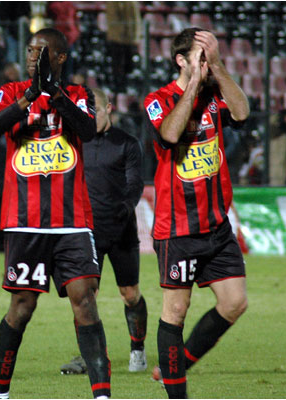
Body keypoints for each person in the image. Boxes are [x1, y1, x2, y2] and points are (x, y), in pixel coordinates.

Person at [0, 28, 111, 399]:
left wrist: (54, 96)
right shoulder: (9, 93)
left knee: (85, 298)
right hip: (25, 222)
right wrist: (26, 100)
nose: (32, 56)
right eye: (30, 49)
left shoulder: (78, 95)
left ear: (59, 58)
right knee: (22, 307)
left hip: (72, 221)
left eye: (41, 50)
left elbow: (87, 130)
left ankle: (102, 395)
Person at [144, 28, 249, 398]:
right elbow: (170, 135)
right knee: (176, 309)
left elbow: (242, 111)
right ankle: (177, 393)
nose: (205, 64)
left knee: (235, 303)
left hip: (217, 225)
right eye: (200, 57)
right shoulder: (157, 100)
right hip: (178, 229)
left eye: (209, 56)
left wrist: (217, 67)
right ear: (181, 61)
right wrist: (193, 86)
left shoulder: (217, 93)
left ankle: (178, 364)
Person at [60, 88, 147, 375]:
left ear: (108, 108)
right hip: (86, 233)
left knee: (130, 294)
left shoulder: (127, 143)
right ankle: (90, 357)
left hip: (121, 230)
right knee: (84, 295)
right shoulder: (73, 142)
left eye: (93, 112)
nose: (88, 118)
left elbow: (135, 183)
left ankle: (138, 350)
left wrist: (126, 206)